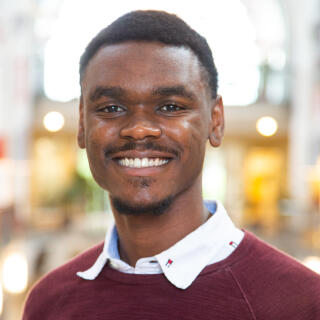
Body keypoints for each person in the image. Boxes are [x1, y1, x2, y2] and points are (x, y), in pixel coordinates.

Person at [22, 10, 320, 320]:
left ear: (215, 122)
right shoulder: (49, 302)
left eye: (170, 107)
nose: (138, 129)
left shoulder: (300, 303)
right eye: (111, 108)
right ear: (82, 124)